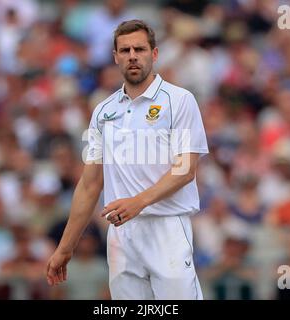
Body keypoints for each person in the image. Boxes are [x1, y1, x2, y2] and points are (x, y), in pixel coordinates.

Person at [46, 19, 209, 300]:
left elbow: (185, 170)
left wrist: (138, 202)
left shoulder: (179, 100)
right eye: (124, 50)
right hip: (121, 233)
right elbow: (89, 184)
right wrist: (65, 247)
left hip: (166, 226)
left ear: (154, 54)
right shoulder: (102, 111)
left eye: (139, 49)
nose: (132, 56)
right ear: (115, 57)